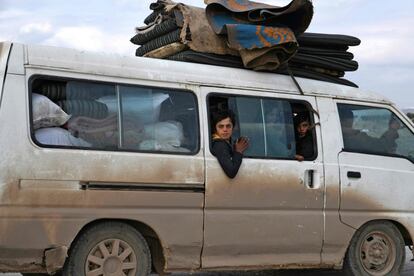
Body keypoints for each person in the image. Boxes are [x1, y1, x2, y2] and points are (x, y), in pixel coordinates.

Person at [211, 110, 249, 178]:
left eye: (228, 126)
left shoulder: (225, 142)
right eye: (221, 126)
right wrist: (238, 152)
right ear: (215, 129)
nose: (225, 129)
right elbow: (231, 172)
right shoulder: (219, 145)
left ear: (233, 128)